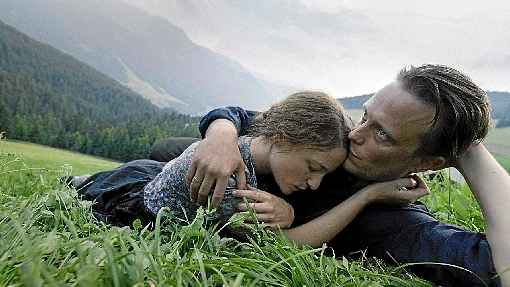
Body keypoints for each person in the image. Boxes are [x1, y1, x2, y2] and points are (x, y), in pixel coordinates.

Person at [152, 65, 509, 286]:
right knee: (162, 150)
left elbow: (499, 269)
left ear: (429, 162)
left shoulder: (398, 220)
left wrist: (471, 153)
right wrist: (220, 135)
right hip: (184, 171)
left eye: (382, 134)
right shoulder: (341, 141)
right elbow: (252, 117)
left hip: (211, 209)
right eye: (366, 115)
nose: (356, 134)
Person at [76, 92, 427, 246]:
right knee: (83, 187)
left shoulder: (253, 150)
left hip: (146, 183)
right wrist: (366, 197)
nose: (315, 183)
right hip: (130, 207)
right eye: (313, 167)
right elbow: (285, 246)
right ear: (283, 135)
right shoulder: (231, 177)